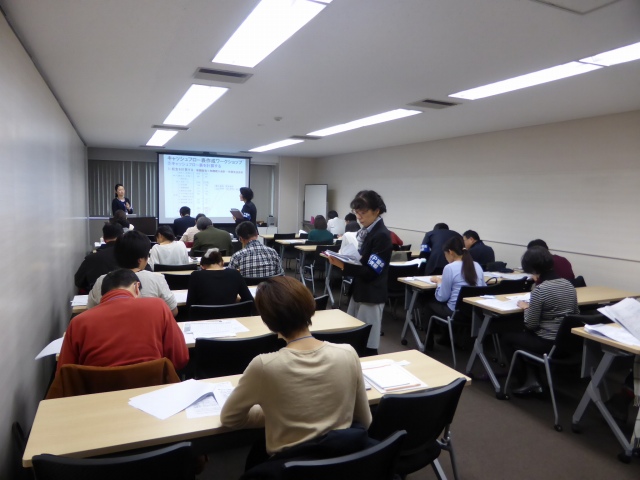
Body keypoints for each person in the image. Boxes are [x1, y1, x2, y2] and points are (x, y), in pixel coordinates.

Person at [220, 276, 371, 463]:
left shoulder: (264, 366)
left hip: (290, 468)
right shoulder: (348, 353)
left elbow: (230, 418)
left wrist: (277, 413)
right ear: (310, 307)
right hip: (343, 464)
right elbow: (365, 421)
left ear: (267, 321)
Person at [58, 269, 188, 372]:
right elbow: (180, 358)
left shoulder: (78, 323)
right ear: (137, 287)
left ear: (103, 293)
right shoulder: (158, 307)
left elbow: (64, 373)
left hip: (98, 393)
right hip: (153, 389)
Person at [501, 246, 579, 395]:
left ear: (533, 269)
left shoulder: (540, 290)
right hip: (567, 343)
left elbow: (531, 324)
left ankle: (526, 381)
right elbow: (576, 314)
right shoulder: (568, 284)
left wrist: (526, 308)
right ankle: (534, 377)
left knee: (507, 338)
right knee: (525, 336)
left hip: (547, 343)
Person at [326, 190, 392, 355]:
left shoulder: (381, 235)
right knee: (354, 337)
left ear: (376, 211)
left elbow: (371, 272)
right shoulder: (367, 231)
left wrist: (343, 265)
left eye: (363, 212)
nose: (359, 217)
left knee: (367, 343)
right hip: (360, 290)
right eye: (357, 213)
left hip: (371, 295)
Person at [87, 231, 178, 316]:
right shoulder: (157, 279)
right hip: (148, 327)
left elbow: (91, 311)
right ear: (141, 260)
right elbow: (173, 311)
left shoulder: (101, 281)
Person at [424, 235, 486, 347]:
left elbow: (442, 297)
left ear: (450, 252)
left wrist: (439, 282)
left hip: (456, 313)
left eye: (445, 255)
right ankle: (446, 338)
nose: (445, 258)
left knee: (428, 304)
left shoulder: (450, 268)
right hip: (474, 312)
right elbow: (483, 289)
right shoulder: (476, 265)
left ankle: (428, 343)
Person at [186, 248, 253, 306]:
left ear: (202, 266)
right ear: (222, 262)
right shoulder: (235, 274)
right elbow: (249, 299)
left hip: (204, 315)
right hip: (231, 314)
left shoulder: (195, 276)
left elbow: (190, 304)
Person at [74, 222, 123, 292]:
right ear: (122, 237)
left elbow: (78, 281)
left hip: (99, 296)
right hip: (127, 297)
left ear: (104, 238)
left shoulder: (91, 258)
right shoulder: (131, 256)